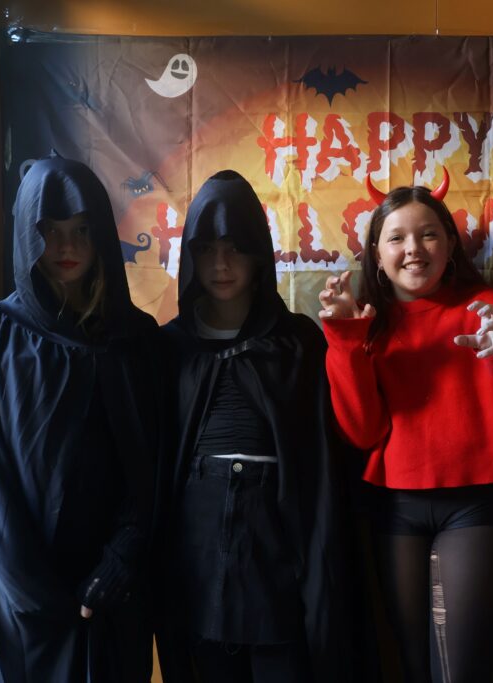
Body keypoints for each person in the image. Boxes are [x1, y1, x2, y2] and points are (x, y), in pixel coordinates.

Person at [317, 174, 493, 683]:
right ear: (377, 254)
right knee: (414, 666)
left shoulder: (488, 308)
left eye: (428, 234)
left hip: (477, 503)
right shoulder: (368, 321)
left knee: (460, 671)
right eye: (397, 238)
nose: (414, 249)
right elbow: (362, 434)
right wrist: (345, 339)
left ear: (450, 245)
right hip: (395, 507)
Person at [0, 153, 160, 681]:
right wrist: (38, 598)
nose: (67, 247)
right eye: (50, 231)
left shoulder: (137, 341)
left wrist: (119, 561)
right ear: (28, 233)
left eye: (82, 230)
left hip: (111, 601)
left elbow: (154, 464)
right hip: (20, 613)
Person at [155, 170, 352, 682]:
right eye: (207, 250)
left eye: (235, 248)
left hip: (276, 538)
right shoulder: (169, 347)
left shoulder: (296, 341)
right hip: (198, 540)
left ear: (259, 253)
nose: (220, 265)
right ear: (190, 256)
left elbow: (319, 462)